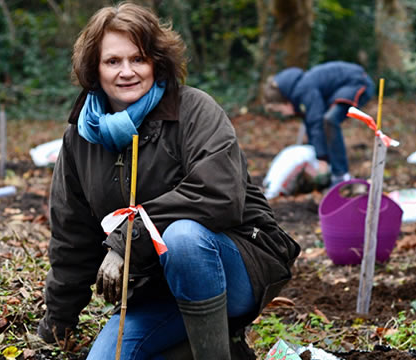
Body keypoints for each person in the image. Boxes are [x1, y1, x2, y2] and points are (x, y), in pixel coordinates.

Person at [37, 3, 300, 359]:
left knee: (182, 237)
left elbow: (219, 195)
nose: (127, 71)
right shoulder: (80, 138)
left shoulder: (195, 110)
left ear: (157, 62)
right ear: (94, 69)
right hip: (155, 288)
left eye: (139, 59)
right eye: (113, 61)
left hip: (235, 264)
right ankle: (200, 345)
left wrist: (125, 241)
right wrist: (59, 322)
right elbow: (72, 234)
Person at [263, 61, 375, 186]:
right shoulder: (300, 89)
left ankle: (341, 175)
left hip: (358, 83)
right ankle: (334, 169)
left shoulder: (303, 90)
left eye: (280, 110)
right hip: (348, 84)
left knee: (330, 120)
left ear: (285, 102)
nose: (283, 114)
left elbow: (316, 122)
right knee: (325, 122)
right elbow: (311, 125)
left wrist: (322, 159)